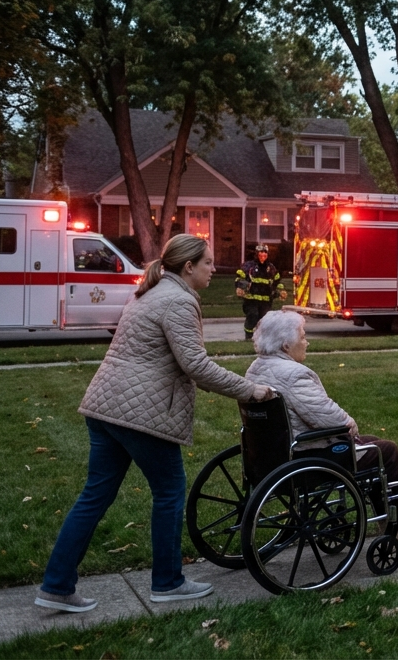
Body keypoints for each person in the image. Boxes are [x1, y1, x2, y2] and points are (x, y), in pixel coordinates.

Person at [36, 235, 275, 614]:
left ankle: (56, 584)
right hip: (139, 414)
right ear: (188, 267)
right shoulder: (179, 301)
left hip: (105, 405)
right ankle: (167, 582)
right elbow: (195, 365)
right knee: (169, 490)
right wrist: (251, 391)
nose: (215, 269)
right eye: (209, 263)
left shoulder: (149, 292)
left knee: (94, 495)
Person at [245, 311, 398, 540]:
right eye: (302, 337)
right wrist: (349, 423)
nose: (306, 342)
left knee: (372, 445)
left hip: (269, 455)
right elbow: (326, 416)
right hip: (307, 455)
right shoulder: (293, 374)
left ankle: (397, 522)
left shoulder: (255, 369)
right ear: (285, 346)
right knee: (385, 451)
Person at [235, 243, 286, 341]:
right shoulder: (249, 266)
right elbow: (240, 278)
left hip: (266, 300)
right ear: (256, 254)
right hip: (251, 299)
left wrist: (280, 291)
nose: (263, 255)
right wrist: (240, 287)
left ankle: (262, 338)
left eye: (265, 253)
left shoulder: (271, 268)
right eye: (261, 253)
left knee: (265, 319)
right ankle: (249, 337)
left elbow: (277, 282)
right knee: (253, 315)